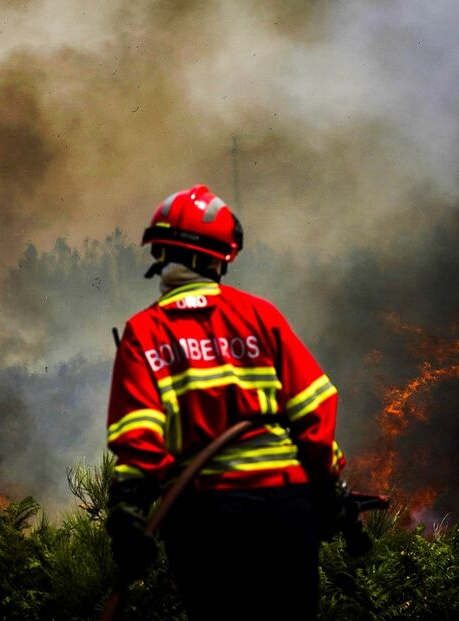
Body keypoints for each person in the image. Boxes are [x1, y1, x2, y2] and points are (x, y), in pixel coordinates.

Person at [105, 184, 346, 620]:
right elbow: (316, 409)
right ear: (220, 257)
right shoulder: (260, 315)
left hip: (205, 518)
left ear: (160, 254)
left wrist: (127, 518)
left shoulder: (144, 332)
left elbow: (136, 442)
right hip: (284, 508)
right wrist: (328, 490)